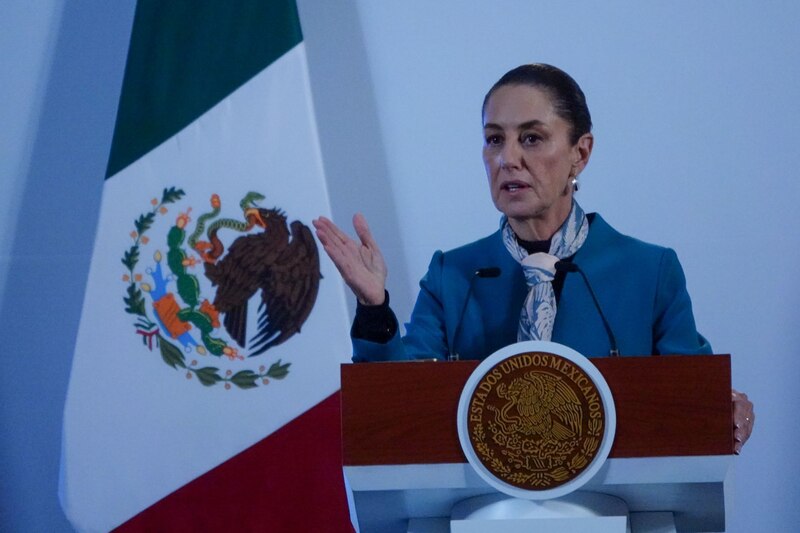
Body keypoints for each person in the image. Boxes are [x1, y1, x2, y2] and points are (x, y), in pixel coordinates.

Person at [313, 63, 754, 453]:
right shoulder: (453, 274)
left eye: (531, 138)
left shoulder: (649, 271)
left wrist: (722, 409)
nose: (508, 159)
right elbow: (398, 404)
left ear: (580, 154)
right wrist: (375, 308)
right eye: (493, 140)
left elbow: (691, 400)